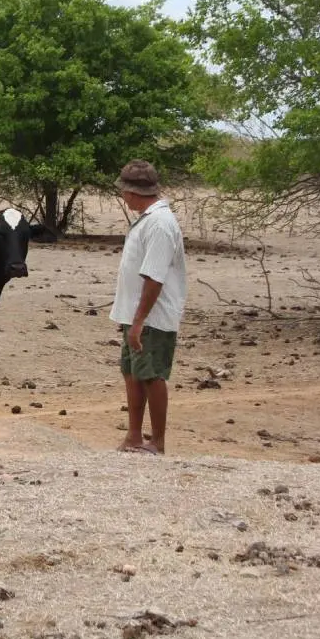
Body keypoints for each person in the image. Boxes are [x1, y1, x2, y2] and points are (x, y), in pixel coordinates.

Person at [109, 159, 187, 455]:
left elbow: (155, 277)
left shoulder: (160, 224)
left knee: (152, 373)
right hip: (136, 313)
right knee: (131, 371)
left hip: (152, 315)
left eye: (124, 191)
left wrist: (140, 320)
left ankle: (157, 441)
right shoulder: (148, 219)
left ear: (132, 192)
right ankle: (134, 436)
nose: (123, 196)